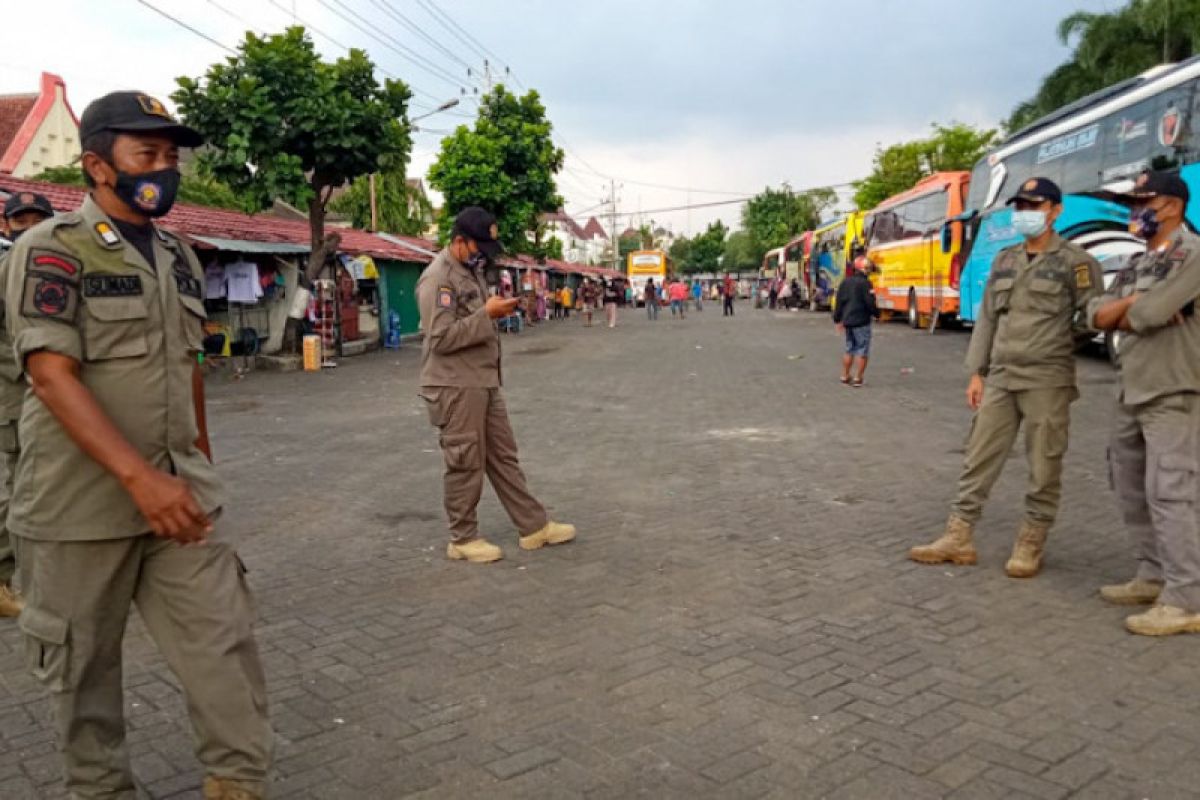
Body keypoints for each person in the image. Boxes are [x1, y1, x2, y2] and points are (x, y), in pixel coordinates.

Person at [7, 91, 271, 800]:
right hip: (77, 505)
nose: (165, 167)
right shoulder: (49, 251)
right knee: (84, 677)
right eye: (146, 154)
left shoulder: (182, 255)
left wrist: (199, 466)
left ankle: (236, 783)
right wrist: (137, 479)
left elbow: (187, 369)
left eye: (171, 155)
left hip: (178, 495)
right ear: (97, 165)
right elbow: (50, 375)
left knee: (224, 644)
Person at [909, 178, 1103, 579]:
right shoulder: (1004, 260)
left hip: (1047, 379)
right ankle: (958, 536)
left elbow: (1092, 317)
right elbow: (988, 319)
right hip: (1000, 376)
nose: (1025, 213)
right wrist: (976, 372)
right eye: (1021, 206)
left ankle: (1030, 543)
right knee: (978, 457)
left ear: (1055, 210)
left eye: (1034, 205)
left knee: (1044, 463)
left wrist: (1055, 343)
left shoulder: (1077, 262)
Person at [416, 206, 576, 564]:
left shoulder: (468, 272)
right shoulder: (438, 278)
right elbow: (439, 339)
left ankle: (533, 526)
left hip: (482, 380)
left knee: (503, 456)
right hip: (454, 386)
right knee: (465, 461)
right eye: (478, 248)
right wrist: (486, 315)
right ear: (459, 241)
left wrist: (493, 312)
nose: (482, 257)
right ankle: (462, 537)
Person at [1089, 171, 1200, 636]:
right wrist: (1135, 302)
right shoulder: (1137, 261)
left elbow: (1149, 316)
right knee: (1130, 489)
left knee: (1172, 494)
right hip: (1129, 387)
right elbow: (1093, 314)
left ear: (1172, 204)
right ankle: (1152, 575)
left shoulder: (1193, 254)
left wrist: (1132, 310)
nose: (1134, 211)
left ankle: (1186, 598)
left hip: (1173, 389)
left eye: (1142, 201)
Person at [0, 191, 54, 618]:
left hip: (54, 395)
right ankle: (1, 579)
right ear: (6, 227)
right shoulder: (5, 270)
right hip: (16, 394)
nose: (30, 228)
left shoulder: (55, 272)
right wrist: (33, 369)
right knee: (20, 487)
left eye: (38, 220)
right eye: (21, 221)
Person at [832, 256, 880, 387]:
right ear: (863, 269)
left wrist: (837, 319)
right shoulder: (866, 284)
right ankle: (858, 378)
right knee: (862, 350)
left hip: (848, 321)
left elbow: (839, 303)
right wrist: (877, 314)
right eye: (868, 268)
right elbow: (870, 302)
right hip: (862, 321)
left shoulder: (845, 283)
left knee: (849, 349)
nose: (869, 270)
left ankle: (845, 375)